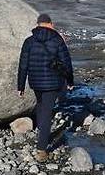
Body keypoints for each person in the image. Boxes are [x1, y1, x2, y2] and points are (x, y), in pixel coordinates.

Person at [17, 13, 74, 162]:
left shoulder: (28, 42)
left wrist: (21, 85)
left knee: (42, 108)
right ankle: (42, 149)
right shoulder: (57, 40)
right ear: (49, 23)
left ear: (38, 24)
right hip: (53, 83)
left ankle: (42, 132)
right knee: (47, 113)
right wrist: (70, 81)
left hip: (36, 82)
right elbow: (66, 63)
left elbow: (23, 65)